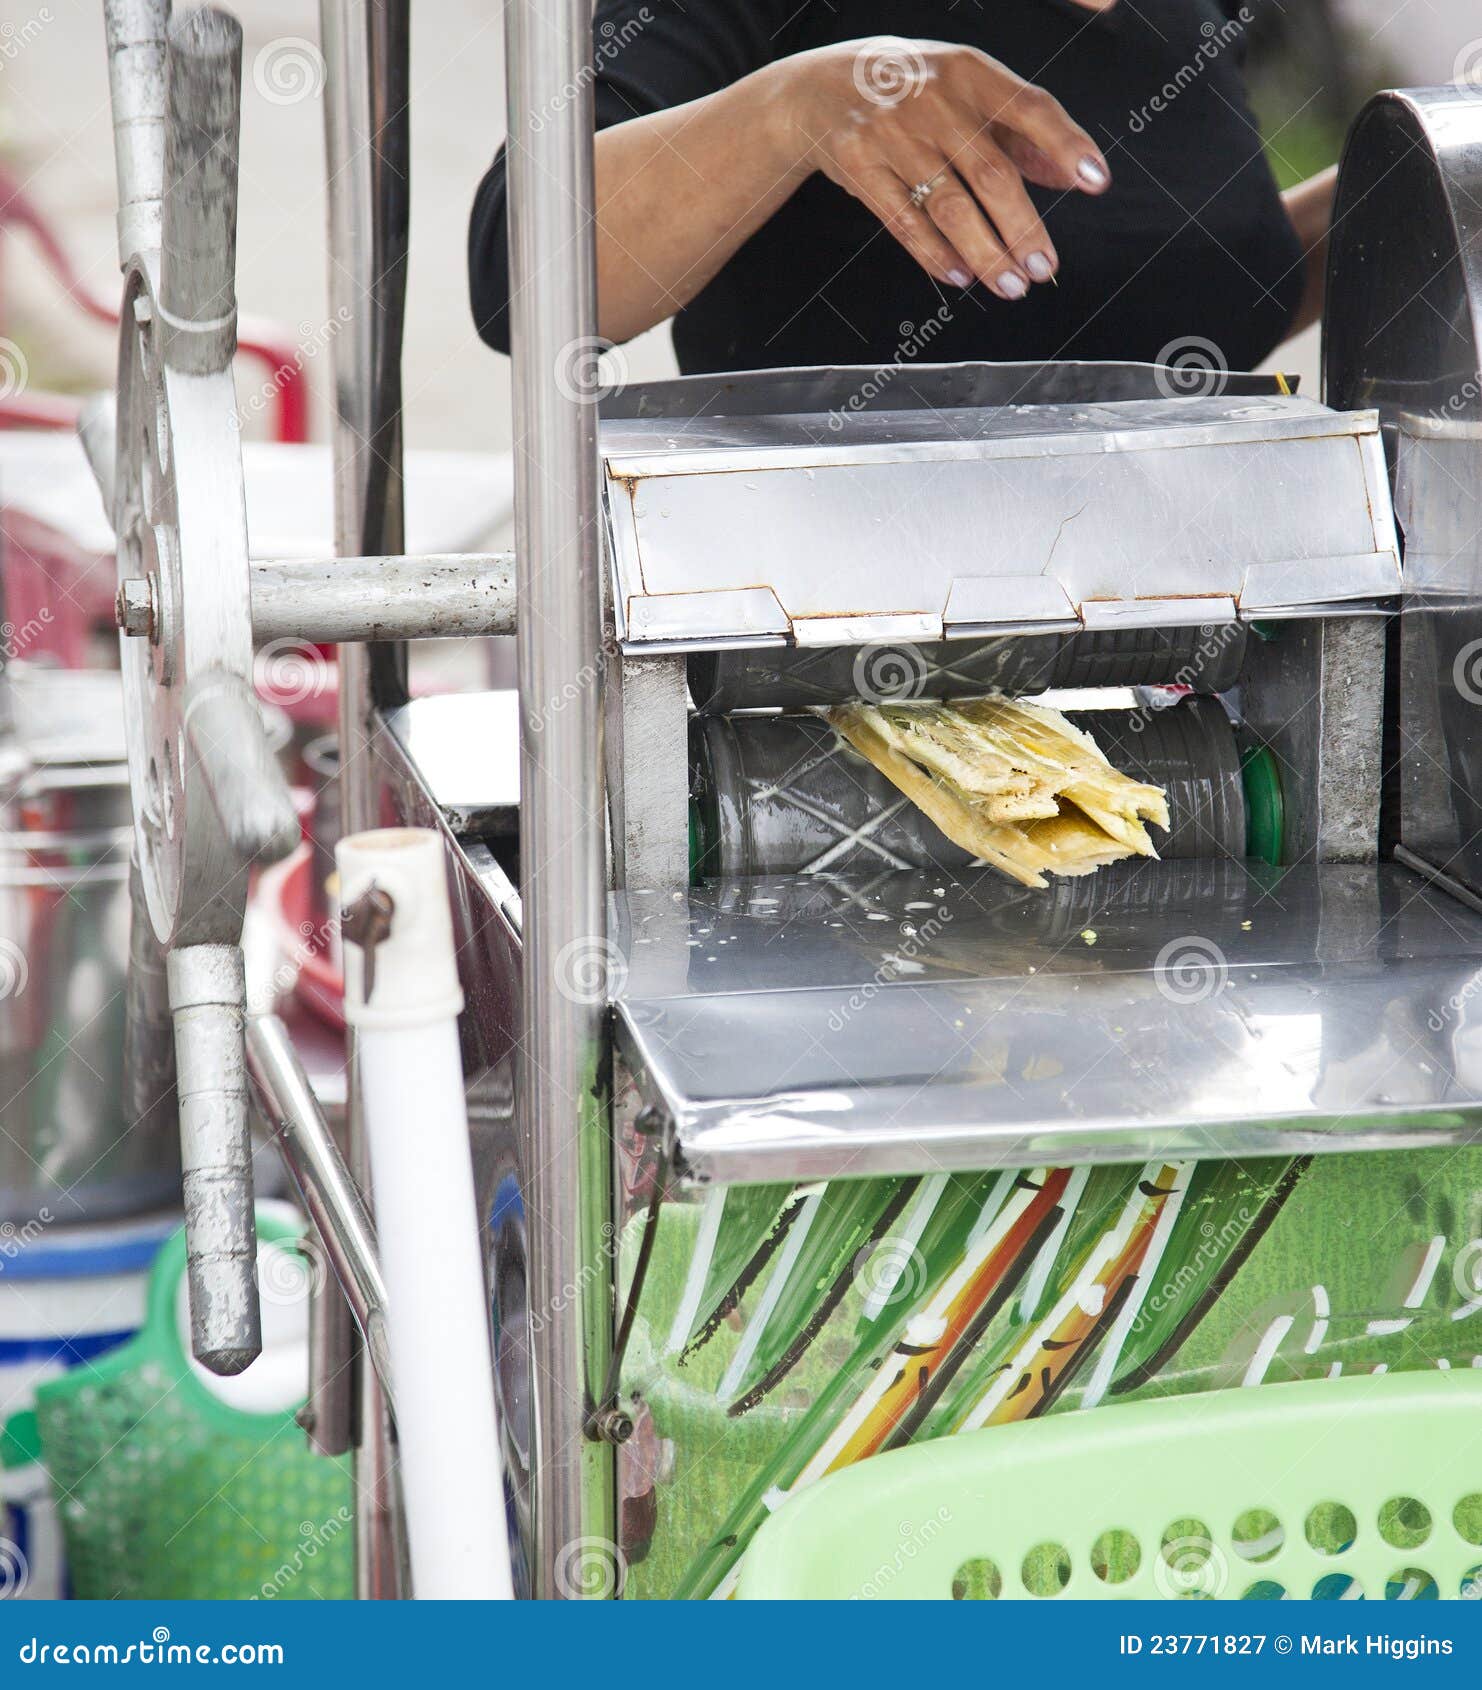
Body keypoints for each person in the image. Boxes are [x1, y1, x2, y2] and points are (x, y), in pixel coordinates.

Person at [470, 0, 1335, 376]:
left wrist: (1413, 186)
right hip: (825, 696)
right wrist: (796, 109)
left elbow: (1159, 289)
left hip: (1185, 678)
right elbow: (523, 274)